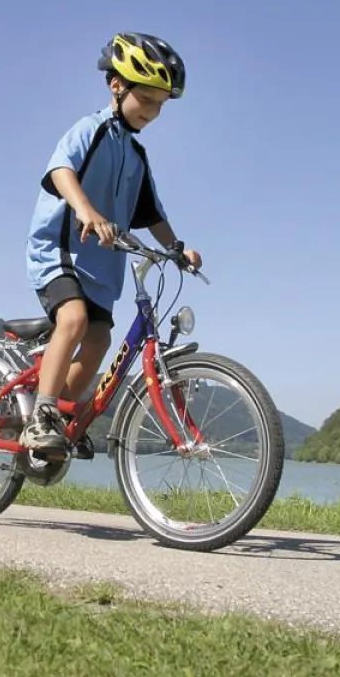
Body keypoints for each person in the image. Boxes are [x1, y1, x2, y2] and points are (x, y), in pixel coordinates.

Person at [23, 32, 203, 457]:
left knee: (100, 339)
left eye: (161, 105)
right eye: (148, 99)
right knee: (73, 321)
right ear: (117, 86)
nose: (154, 112)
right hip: (61, 251)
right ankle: (40, 420)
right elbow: (61, 171)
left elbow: (151, 214)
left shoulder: (137, 155)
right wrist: (87, 212)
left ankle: (58, 411)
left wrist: (177, 249)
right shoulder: (92, 129)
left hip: (103, 267)